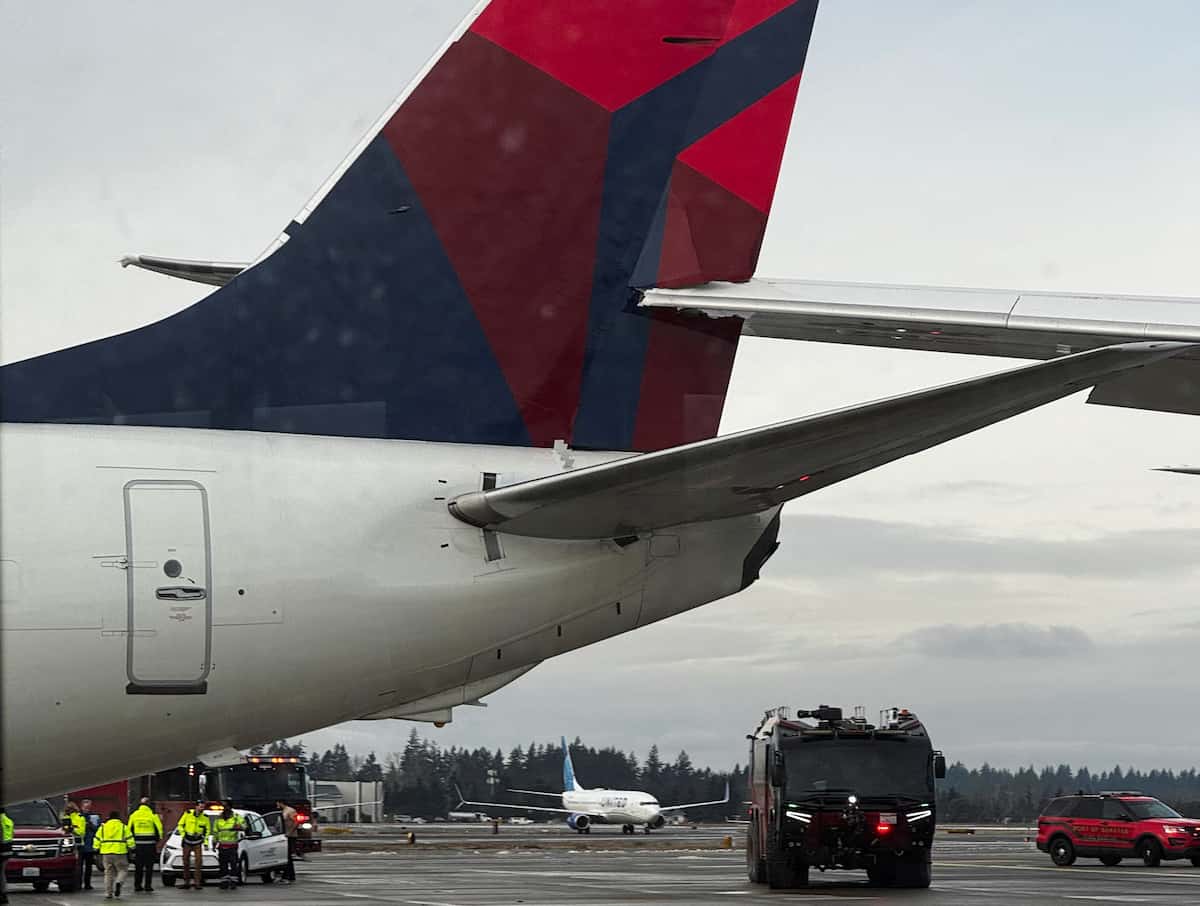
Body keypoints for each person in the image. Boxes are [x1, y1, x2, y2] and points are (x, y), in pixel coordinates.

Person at [127, 797, 164, 892]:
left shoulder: (134, 815)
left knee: (138, 866)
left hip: (138, 845)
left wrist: (131, 844)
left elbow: (129, 830)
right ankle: (148, 886)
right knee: (149, 867)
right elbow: (159, 829)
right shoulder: (152, 815)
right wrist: (157, 840)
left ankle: (137, 885)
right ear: (149, 805)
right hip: (150, 845)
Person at [95, 809, 134, 900]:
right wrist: (132, 847)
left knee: (108, 873)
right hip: (120, 852)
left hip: (106, 853)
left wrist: (96, 847)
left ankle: (108, 893)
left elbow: (97, 838)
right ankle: (119, 882)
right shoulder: (123, 827)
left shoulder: (103, 827)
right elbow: (130, 839)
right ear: (118, 817)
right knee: (122, 870)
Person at [176, 802, 210, 890]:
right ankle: (186, 882)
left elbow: (207, 831)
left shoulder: (205, 818)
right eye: (200, 807)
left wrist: (205, 842)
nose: (201, 809)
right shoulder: (188, 814)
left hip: (197, 842)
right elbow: (180, 825)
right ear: (196, 807)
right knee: (186, 862)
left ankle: (197, 883)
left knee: (198, 863)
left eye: (203, 807)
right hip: (187, 840)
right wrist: (183, 835)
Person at [211, 804, 243, 891]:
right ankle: (224, 882)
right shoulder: (218, 819)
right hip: (222, 846)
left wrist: (239, 826)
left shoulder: (236, 817)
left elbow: (244, 825)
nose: (226, 809)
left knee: (233, 865)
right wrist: (214, 843)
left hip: (232, 846)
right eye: (225, 808)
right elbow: (215, 832)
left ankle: (233, 882)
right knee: (223, 865)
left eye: (228, 807)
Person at [79, 798, 102, 890]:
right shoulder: (78, 817)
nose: (87, 809)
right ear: (82, 807)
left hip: (89, 846)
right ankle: (79, 883)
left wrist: (91, 826)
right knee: (79, 867)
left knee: (88, 867)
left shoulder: (95, 817)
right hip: (80, 846)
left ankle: (87, 884)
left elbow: (99, 830)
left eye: (88, 807)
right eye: (85, 807)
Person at [63, 801, 87, 889]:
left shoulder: (80, 818)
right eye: (68, 809)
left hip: (78, 845)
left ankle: (78, 884)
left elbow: (82, 832)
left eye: (70, 809)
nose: (69, 811)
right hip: (66, 845)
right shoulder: (64, 818)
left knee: (78, 866)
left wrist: (72, 829)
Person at [275, 800, 297, 883]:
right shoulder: (282, 811)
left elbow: (296, 822)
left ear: (281, 803)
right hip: (283, 836)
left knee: (288, 857)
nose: (276, 805)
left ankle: (289, 876)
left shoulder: (290, 811)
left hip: (290, 837)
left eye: (277, 803)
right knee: (285, 857)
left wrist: (290, 832)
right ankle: (287, 876)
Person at [2, 804, 14, 905]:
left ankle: (2, 895)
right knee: (2, 873)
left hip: (1, 850)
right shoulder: (8, 820)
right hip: (7, 851)